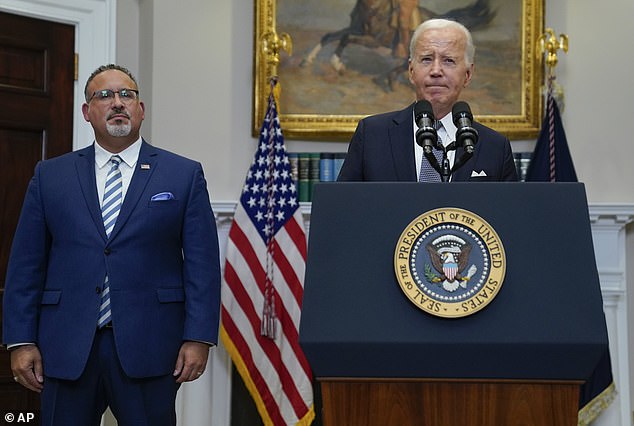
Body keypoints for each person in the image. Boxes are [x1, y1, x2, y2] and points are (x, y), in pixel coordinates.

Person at [2, 64, 221, 425]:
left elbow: (202, 265)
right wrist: (20, 340)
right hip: (66, 347)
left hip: (151, 346)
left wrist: (198, 337)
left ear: (141, 109)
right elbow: (26, 264)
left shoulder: (183, 174)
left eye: (127, 95)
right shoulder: (50, 176)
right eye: (104, 95)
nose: (117, 102)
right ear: (87, 112)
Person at [338, 18, 518, 182]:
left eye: (448, 60)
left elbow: (507, 214)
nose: (436, 70)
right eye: (426, 59)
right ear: (411, 71)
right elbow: (344, 208)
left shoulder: (494, 147)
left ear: (468, 74)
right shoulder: (372, 135)